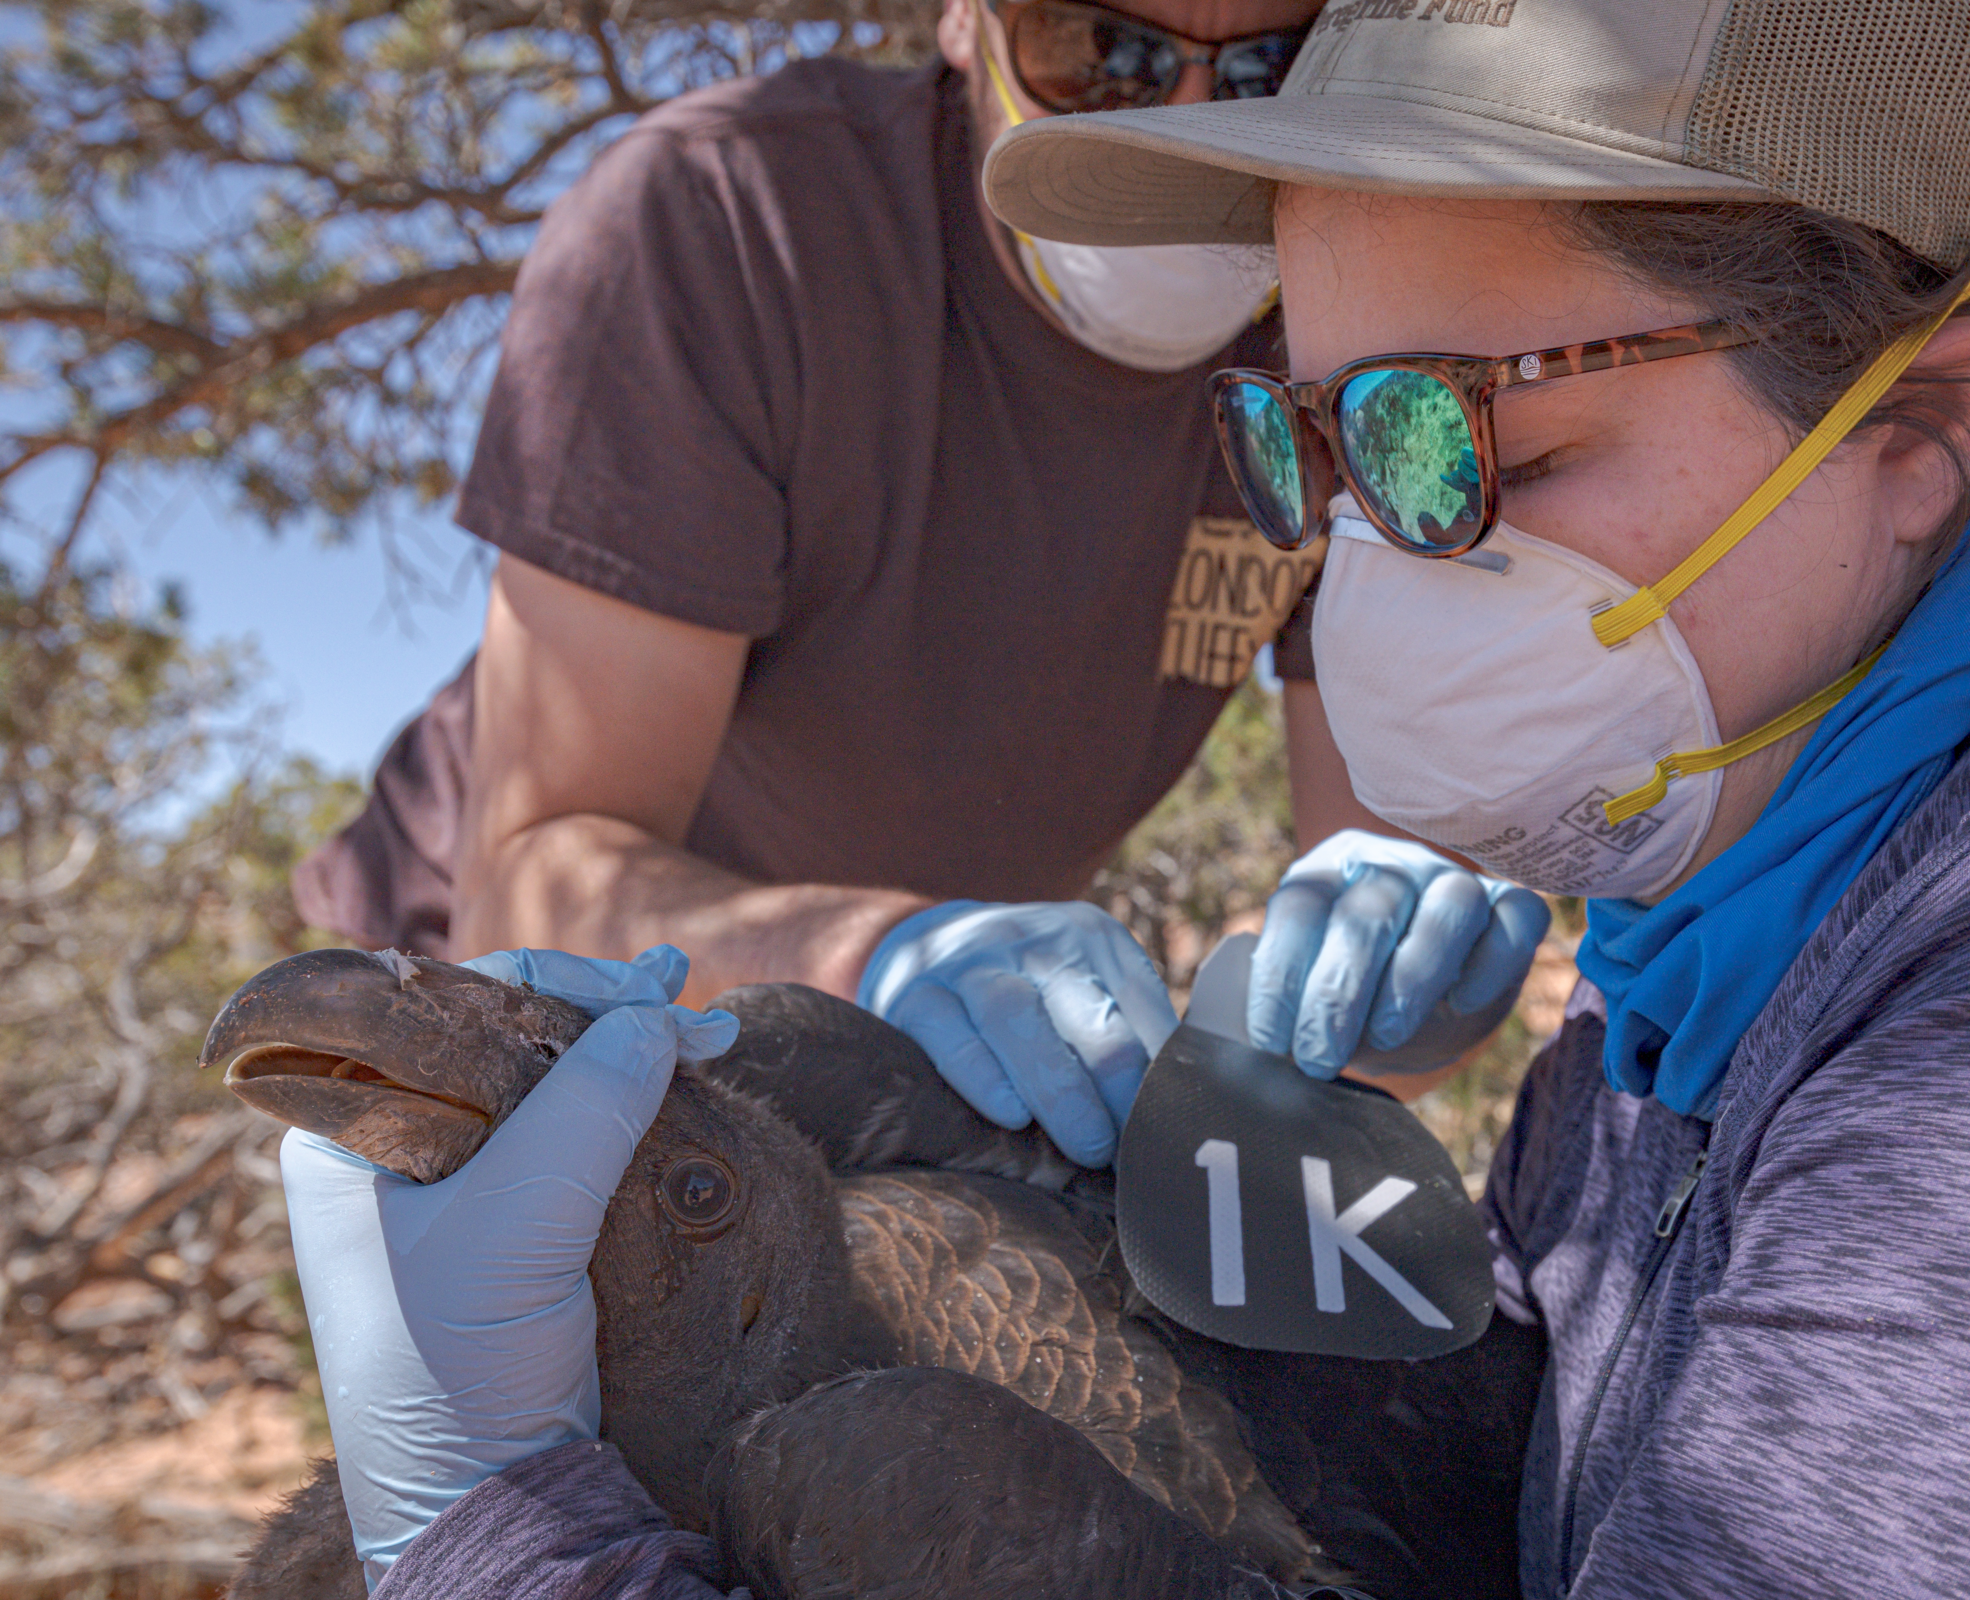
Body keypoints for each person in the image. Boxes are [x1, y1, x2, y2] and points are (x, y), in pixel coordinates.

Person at [274, 0, 1970, 1595]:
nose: (1371, 564)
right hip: (647, 1013)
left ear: (1923, 423)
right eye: (1303, 456)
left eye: (1474, 451)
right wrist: (895, 958)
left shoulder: (1940, 1080)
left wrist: (487, 1533)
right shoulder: (745, 222)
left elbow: (1382, 985)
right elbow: (538, 857)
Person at [294, 0, 1548, 1169]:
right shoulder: (733, 217)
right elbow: (533, 883)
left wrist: (1390, 994)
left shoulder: (1337, 331)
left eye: (1273, 69)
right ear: (964, 20)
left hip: (924, 1065)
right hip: (499, 1014)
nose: (1181, 129)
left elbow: (1368, 882)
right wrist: (871, 957)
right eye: (1095, 54)